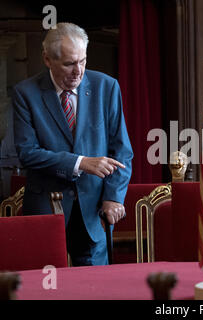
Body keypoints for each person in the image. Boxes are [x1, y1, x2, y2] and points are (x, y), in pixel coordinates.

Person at [12, 22, 133, 266]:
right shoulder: (25, 93)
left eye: (83, 61)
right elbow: (27, 153)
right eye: (69, 64)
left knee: (94, 290)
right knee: (46, 289)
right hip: (46, 209)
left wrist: (114, 197)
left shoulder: (106, 87)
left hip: (94, 213)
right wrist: (81, 163)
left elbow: (122, 151)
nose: (78, 71)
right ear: (47, 59)